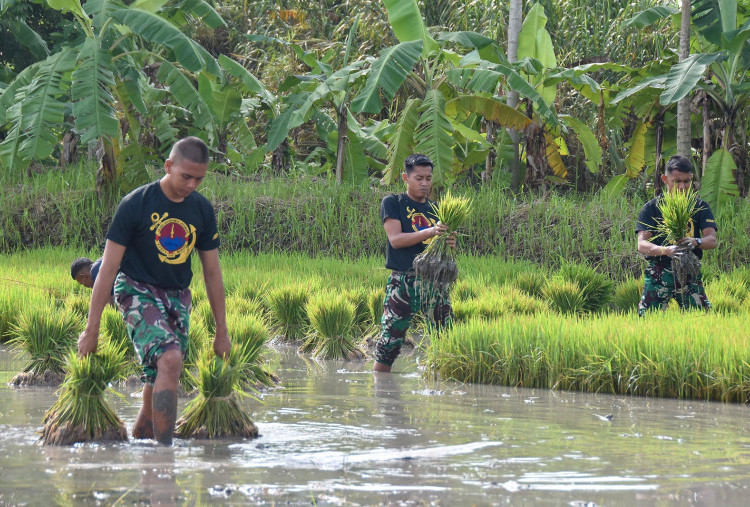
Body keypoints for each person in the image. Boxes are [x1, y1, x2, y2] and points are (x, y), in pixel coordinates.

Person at [78, 136, 231, 445]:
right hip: (135, 288)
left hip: (178, 295)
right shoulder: (137, 204)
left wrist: (222, 331)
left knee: (155, 372)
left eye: (199, 179)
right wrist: (91, 329)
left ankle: (143, 438)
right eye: (185, 176)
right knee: (171, 359)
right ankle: (165, 456)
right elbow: (108, 268)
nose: (191, 185)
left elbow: (212, 273)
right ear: (168, 166)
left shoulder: (201, 210)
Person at [373, 154, 453, 373]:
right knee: (390, 342)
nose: (425, 183)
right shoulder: (393, 203)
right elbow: (396, 240)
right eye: (419, 178)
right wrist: (430, 231)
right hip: (403, 283)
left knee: (445, 337)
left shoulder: (438, 209)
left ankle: (442, 389)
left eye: (428, 178)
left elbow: (440, 247)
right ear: (405, 178)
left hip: (435, 283)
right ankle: (380, 390)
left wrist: (449, 242)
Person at [635, 155, 718, 315]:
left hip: (689, 271)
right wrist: (666, 250)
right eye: (677, 181)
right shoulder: (652, 208)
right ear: (665, 179)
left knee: (702, 320)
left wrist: (695, 241)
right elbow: (642, 245)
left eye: (686, 181)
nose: (682, 186)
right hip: (659, 273)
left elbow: (712, 240)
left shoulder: (699, 206)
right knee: (648, 322)